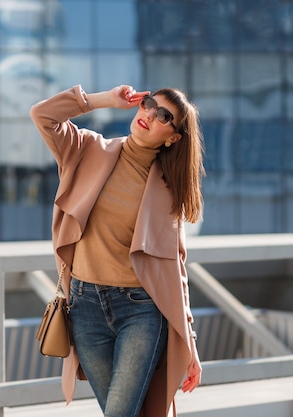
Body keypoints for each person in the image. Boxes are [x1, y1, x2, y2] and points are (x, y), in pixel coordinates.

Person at [30, 84, 204, 417]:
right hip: (85, 309)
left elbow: (175, 268)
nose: (150, 114)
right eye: (149, 104)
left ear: (173, 137)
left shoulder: (168, 191)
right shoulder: (87, 150)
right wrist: (104, 100)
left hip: (140, 312)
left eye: (164, 116)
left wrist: (190, 343)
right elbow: (42, 115)